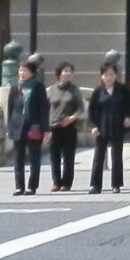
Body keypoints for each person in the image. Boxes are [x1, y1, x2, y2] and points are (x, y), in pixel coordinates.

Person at [87, 59, 130, 194]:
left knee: (116, 156)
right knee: (98, 156)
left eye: (111, 74)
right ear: (101, 76)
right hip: (101, 127)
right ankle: (96, 185)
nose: (109, 77)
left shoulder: (122, 90)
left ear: (116, 76)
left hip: (117, 126)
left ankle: (116, 184)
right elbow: (92, 110)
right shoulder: (98, 92)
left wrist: (129, 117)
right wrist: (93, 126)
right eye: (106, 75)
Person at [7, 54, 50, 195]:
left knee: (34, 158)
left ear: (32, 73)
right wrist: (9, 127)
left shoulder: (38, 87)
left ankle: (32, 186)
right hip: (18, 126)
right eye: (20, 71)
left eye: (24, 71)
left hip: (34, 126)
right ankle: (19, 186)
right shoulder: (15, 88)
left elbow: (44, 109)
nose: (21, 73)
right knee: (18, 158)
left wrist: (46, 129)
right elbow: (10, 108)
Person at [45, 61, 83, 192]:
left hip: (69, 127)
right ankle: (56, 182)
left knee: (68, 156)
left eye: (70, 71)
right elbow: (45, 109)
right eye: (65, 71)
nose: (68, 74)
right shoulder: (51, 90)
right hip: (54, 127)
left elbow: (80, 108)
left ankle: (66, 183)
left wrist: (72, 118)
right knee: (54, 156)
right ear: (59, 74)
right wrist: (46, 128)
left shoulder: (74, 90)